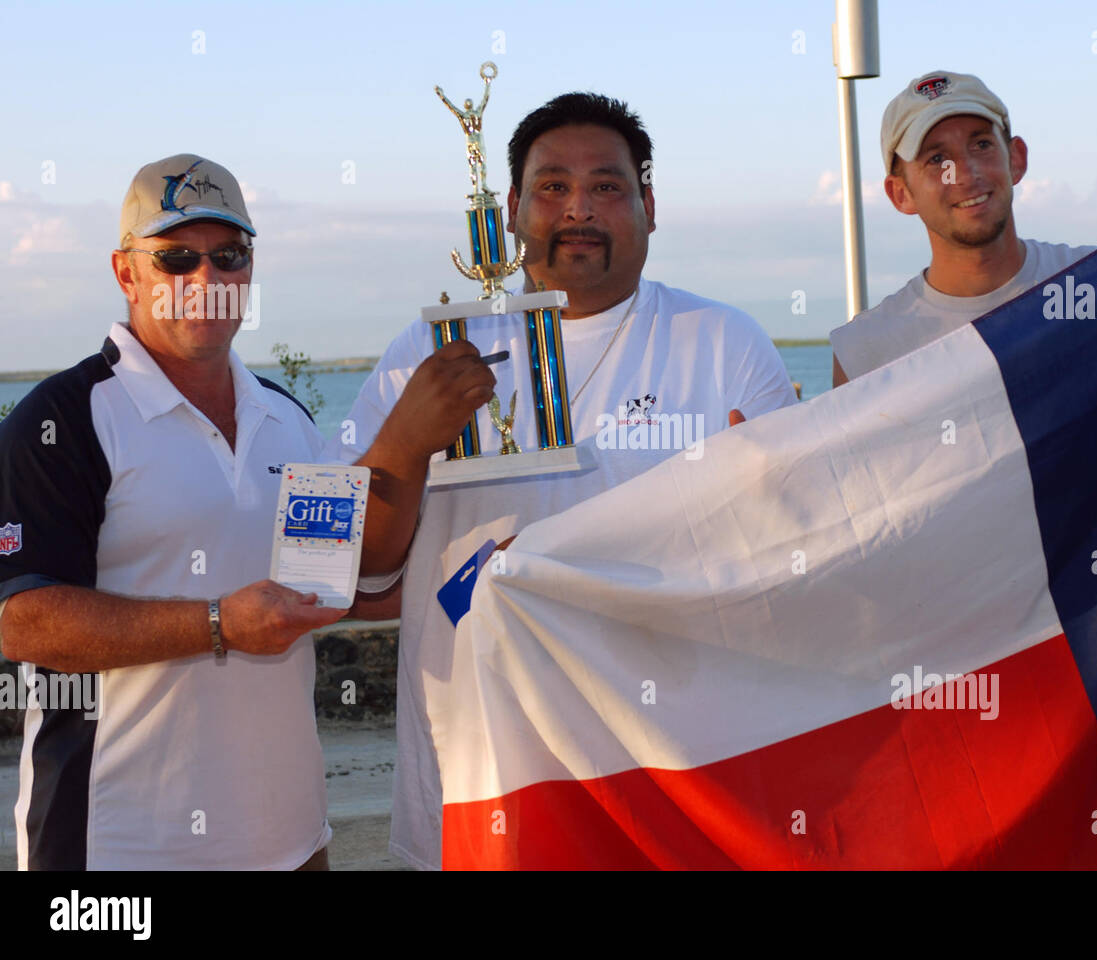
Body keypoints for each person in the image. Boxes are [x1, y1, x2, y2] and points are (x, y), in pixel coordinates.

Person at [337, 92, 798, 869]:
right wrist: (405, 442)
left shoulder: (723, 345)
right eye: (552, 186)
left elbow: (786, 555)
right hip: (482, 775)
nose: (578, 208)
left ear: (649, 206)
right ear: (511, 208)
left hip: (669, 767)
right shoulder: (431, 349)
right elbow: (353, 570)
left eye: (607, 186)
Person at [0, 154, 360, 870]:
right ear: (126, 271)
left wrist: (485, 565)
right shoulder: (63, 420)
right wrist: (219, 625)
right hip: (120, 844)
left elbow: (343, 581)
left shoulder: (287, 419)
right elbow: (21, 619)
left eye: (228, 256)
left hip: (290, 839)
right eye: (175, 257)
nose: (207, 280)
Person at [831, 71, 1097, 385]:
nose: (965, 174)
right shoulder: (864, 353)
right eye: (937, 158)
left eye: (982, 144)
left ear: (1016, 159)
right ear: (900, 194)